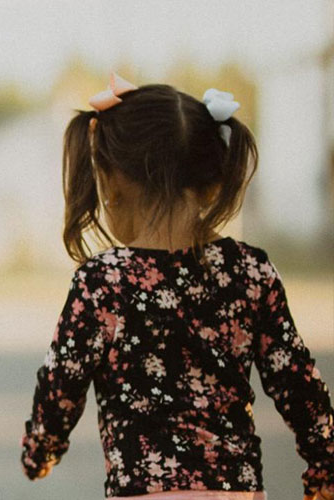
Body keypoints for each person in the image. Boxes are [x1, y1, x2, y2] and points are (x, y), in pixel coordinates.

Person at [21, 74, 334, 500]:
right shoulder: (251, 271)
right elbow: (297, 382)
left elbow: (61, 387)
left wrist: (41, 450)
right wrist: (324, 461)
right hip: (236, 492)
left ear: (113, 186)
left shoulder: (103, 282)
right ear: (211, 183)